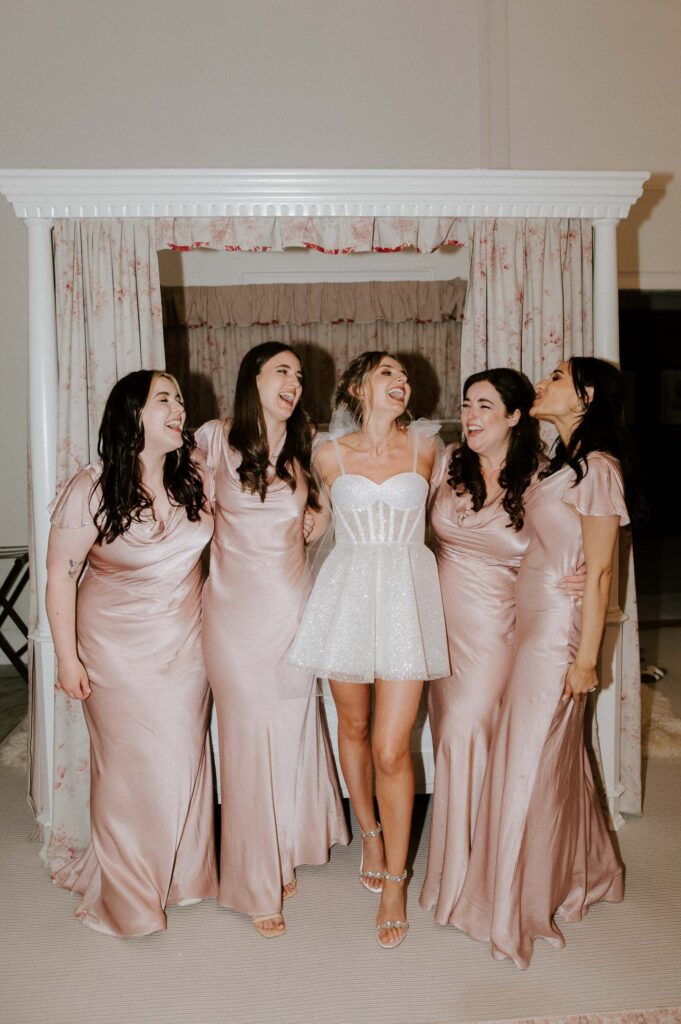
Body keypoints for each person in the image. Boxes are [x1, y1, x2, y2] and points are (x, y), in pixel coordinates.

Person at [451, 356, 638, 969]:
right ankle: (588, 870)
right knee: (555, 757)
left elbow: (603, 565)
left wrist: (586, 660)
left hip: (556, 633)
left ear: (585, 395)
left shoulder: (600, 467)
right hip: (528, 619)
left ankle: (511, 906)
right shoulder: (559, 462)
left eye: (557, 377)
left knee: (526, 758)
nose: (543, 384)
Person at [47, 370, 217, 937]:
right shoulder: (91, 487)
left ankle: (181, 876)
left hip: (186, 645)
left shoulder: (194, 479)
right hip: (113, 649)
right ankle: (126, 898)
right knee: (127, 769)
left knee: (181, 759)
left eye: (180, 400)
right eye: (164, 399)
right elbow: (58, 576)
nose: (179, 409)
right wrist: (67, 659)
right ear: (132, 415)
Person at [289, 350, 449, 948]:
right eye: (387, 373)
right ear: (358, 386)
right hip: (348, 594)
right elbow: (315, 521)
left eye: (405, 376)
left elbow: (458, 515)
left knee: (391, 746)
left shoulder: (427, 449)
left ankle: (397, 879)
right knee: (352, 727)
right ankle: (372, 835)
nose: (401, 382)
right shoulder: (327, 454)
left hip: (407, 597)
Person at [420, 369, 586, 925]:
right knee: (452, 737)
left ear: (515, 417)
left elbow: (577, 543)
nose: (469, 416)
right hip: (440, 629)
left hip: (500, 630)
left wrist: (586, 574)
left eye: (485, 406)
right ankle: (457, 872)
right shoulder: (447, 462)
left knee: (474, 736)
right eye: (466, 404)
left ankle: (478, 883)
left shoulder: (543, 477)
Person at [195, 341, 348, 940]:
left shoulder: (303, 453)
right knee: (245, 739)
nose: (294, 381)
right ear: (251, 378)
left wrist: (324, 514)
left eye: (300, 375)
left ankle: (280, 850)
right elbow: (178, 502)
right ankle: (253, 879)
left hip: (291, 610)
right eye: (281, 370)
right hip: (233, 617)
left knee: (289, 732)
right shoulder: (214, 439)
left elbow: (316, 522)